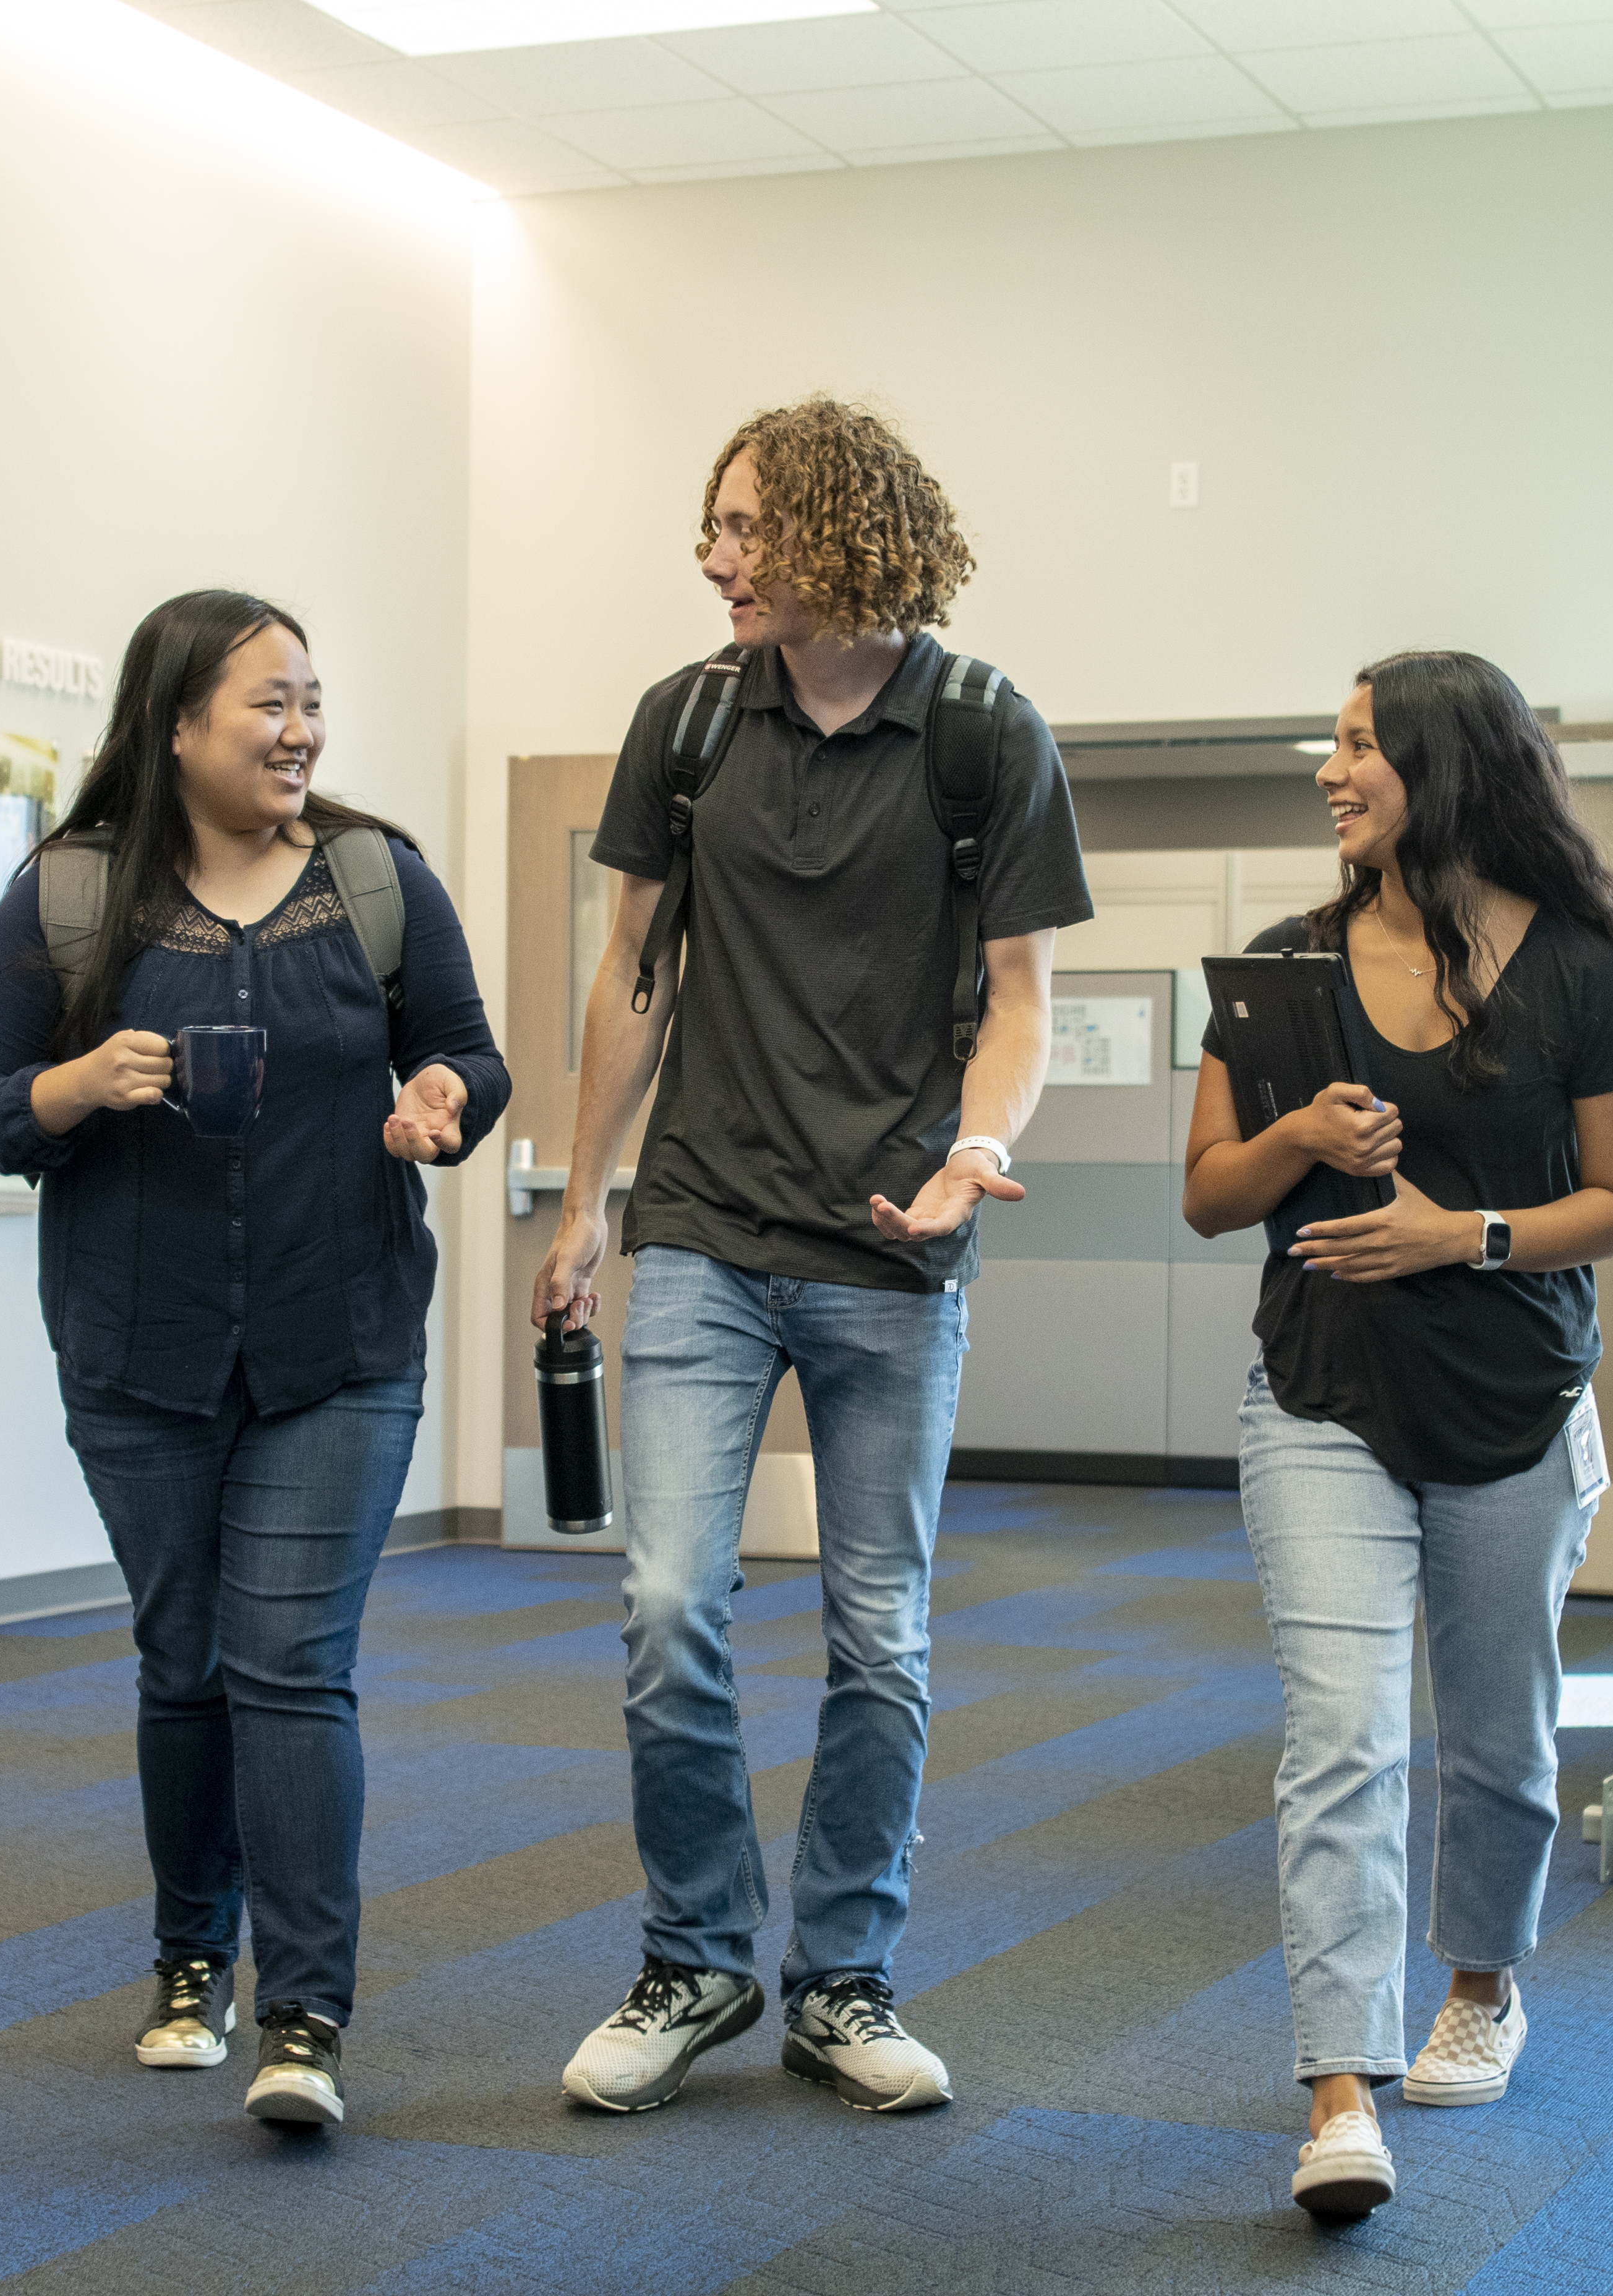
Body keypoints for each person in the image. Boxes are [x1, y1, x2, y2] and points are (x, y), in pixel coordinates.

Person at [534, 396, 1090, 2118]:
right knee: (668, 1601)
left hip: (892, 1245)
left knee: (881, 1634)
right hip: (702, 1222)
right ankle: (698, 1956)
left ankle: (842, 1977)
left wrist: (977, 1148)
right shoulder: (688, 722)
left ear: (849, 531)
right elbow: (634, 973)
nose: (716, 558)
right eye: (713, 528)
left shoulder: (987, 733)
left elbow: (1019, 1004)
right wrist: (581, 1206)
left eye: (749, 529)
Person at [0, 590, 508, 2131]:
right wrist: (72, 1084)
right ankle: (194, 1958)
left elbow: (471, 1050)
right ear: (176, 722)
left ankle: (306, 2015)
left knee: (291, 1665)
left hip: (344, 1340)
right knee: (183, 1661)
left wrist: (442, 1096)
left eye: (313, 700)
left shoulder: (377, 879)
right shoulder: (70, 896)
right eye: (268, 703)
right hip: (139, 1352)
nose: (300, 728)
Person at [1179, 650, 1613, 2221]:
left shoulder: (1579, 970)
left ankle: (1482, 1981)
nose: (1329, 771)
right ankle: (1341, 2084)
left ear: (1439, 766)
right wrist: (1291, 1139)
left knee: (1495, 1737)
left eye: (1355, 746)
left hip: (1513, 1402)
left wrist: (1453, 1233)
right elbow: (1206, 1193)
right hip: (1321, 1397)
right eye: (1329, 746)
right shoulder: (1282, 970)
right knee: (1341, 1733)